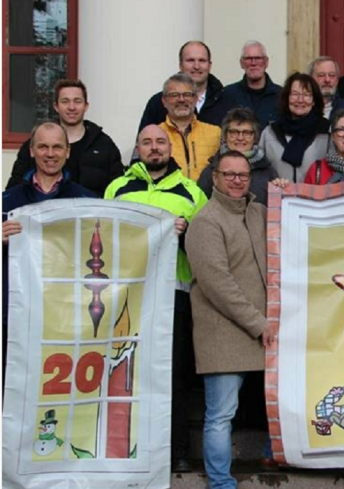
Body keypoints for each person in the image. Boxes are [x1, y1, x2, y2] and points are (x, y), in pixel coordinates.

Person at [104, 124, 208, 473]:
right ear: (137, 148)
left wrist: (185, 233)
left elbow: (207, 246)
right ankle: (128, 448)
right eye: (147, 142)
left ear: (170, 147)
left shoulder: (191, 192)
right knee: (127, 373)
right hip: (127, 297)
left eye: (160, 142)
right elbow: (103, 237)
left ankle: (176, 451)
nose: (154, 147)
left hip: (174, 296)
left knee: (173, 376)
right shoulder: (117, 188)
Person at [187, 151, 276, 488]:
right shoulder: (205, 221)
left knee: (279, 404)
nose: (237, 180)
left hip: (263, 328)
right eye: (229, 174)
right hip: (225, 333)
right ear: (215, 178)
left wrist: (286, 192)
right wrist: (259, 323)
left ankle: (274, 455)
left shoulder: (260, 213)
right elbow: (218, 285)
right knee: (221, 415)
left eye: (243, 174)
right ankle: (221, 483)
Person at [3, 122, 95, 386]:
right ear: (32, 151)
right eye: (43, 146)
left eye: (57, 147)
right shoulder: (6, 203)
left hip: (66, 317)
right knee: (13, 388)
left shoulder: (88, 204)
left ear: (68, 152)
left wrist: (166, 228)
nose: (50, 153)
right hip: (16, 317)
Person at [7, 80, 123, 197]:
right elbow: (15, 190)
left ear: (86, 106)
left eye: (77, 101)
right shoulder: (36, 144)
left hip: (92, 208)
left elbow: (119, 189)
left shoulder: (105, 145)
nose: (71, 107)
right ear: (56, 106)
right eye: (65, 101)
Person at [139, 40, 228, 129]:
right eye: (190, 60)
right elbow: (145, 136)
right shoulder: (158, 102)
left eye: (202, 60)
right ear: (180, 65)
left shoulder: (227, 100)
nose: (196, 66)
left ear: (209, 65)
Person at [258, 73, 330, 183]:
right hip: (278, 193)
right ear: (287, 98)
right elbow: (260, 171)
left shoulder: (327, 131)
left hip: (316, 193)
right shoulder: (270, 132)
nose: (300, 100)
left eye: (306, 95)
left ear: (314, 100)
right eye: (295, 94)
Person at [197, 108, 277, 205]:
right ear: (225, 136)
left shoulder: (268, 173)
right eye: (234, 132)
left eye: (247, 133)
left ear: (255, 137)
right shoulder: (211, 171)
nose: (240, 138)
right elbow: (200, 206)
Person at [158, 73, 222, 181]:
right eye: (174, 95)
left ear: (196, 99)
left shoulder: (216, 133)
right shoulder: (155, 135)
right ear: (164, 101)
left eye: (187, 94)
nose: (181, 99)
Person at [221, 41, 282, 129]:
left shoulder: (281, 96)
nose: (253, 63)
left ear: (266, 62)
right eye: (248, 58)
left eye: (258, 58)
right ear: (241, 63)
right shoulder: (227, 95)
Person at [307, 56, 344, 120]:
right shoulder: (302, 107)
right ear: (310, 79)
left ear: (337, 80)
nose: (327, 80)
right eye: (321, 75)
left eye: (332, 75)